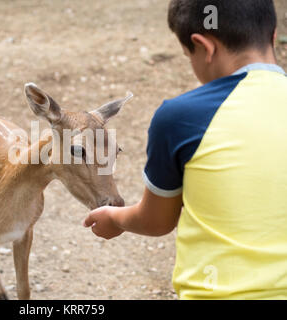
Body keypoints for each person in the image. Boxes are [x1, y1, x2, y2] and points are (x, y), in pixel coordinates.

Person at [83, 0, 287, 299]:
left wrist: (114, 219)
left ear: (204, 47)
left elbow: (157, 220)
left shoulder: (182, 116)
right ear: (273, 35)